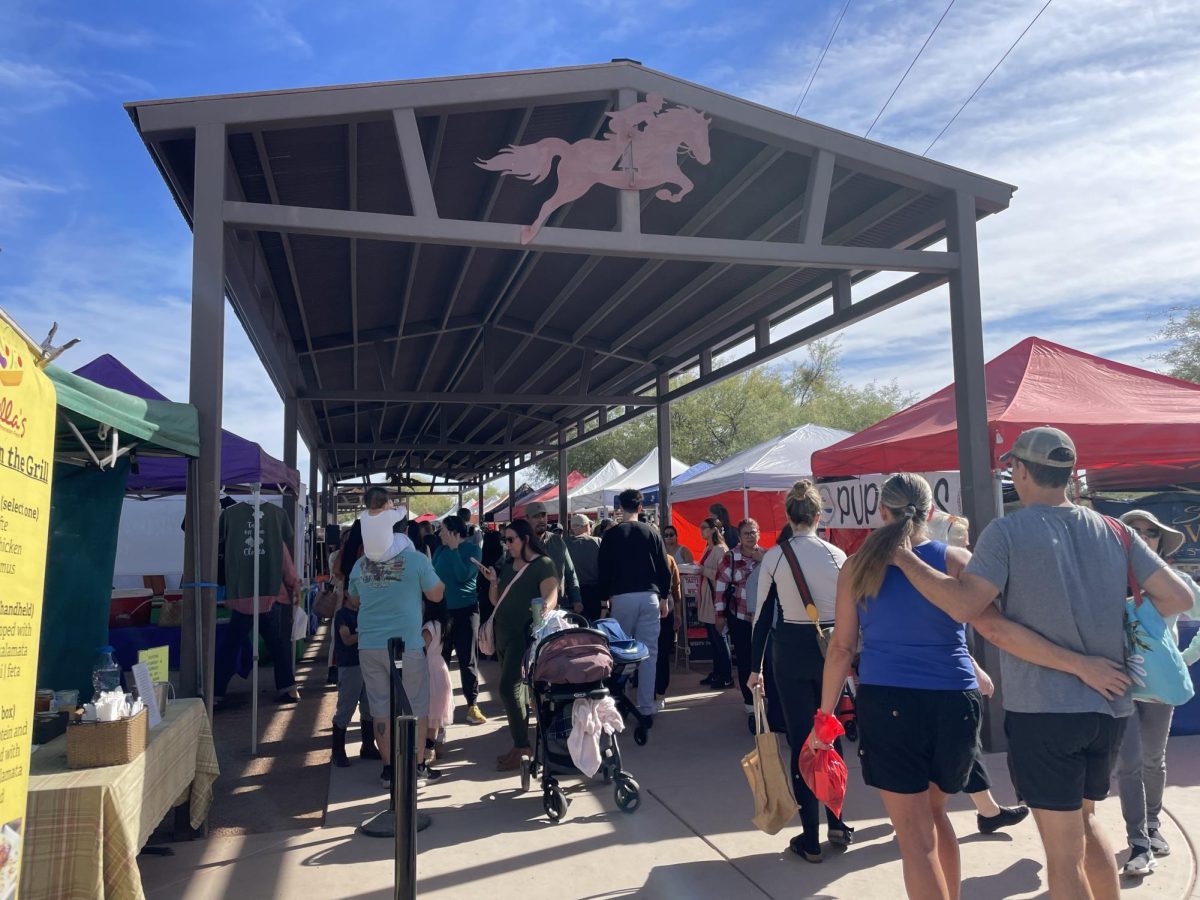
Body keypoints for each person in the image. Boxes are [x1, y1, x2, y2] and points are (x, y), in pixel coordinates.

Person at [888, 428, 1193, 900]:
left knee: (1062, 854)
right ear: (1069, 474)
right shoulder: (1116, 529)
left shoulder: (1008, 531)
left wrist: (907, 561)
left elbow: (971, 608)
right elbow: (1179, 596)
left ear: (1022, 470)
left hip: (1046, 712)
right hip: (1109, 708)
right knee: (1087, 826)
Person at [815, 473, 981, 894]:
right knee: (937, 815)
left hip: (890, 702)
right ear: (929, 512)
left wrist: (825, 715)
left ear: (881, 512)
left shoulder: (856, 567)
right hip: (955, 699)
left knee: (914, 838)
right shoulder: (956, 559)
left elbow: (841, 648)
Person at [748, 481, 852, 861]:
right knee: (830, 732)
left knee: (801, 741)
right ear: (818, 515)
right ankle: (838, 823)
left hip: (789, 651)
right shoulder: (837, 555)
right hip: (832, 651)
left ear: (789, 517)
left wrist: (754, 669)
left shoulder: (775, 557)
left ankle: (810, 838)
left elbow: (762, 619)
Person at [1114, 509, 1200, 877]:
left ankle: (1151, 824)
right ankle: (1139, 841)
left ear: (1160, 542)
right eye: (1134, 530)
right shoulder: (1106, 579)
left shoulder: (1177, 582)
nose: (1143, 536)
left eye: (1150, 532)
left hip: (1159, 689)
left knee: (1152, 759)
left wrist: (1184, 659)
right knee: (1129, 762)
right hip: (1116, 686)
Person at [349, 523, 446, 788]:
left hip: (369, 644)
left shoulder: (361, 565)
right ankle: (416, 767)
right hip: (408, 644)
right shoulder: (416, 560)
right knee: (416, 705)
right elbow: (437, 594)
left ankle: (389, 771)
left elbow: (353, 599)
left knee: (380, 707)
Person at [477, 519, 559, 771]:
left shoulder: (542, 564)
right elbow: (496, 600)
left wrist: (544, 608)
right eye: (505, 540)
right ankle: (520, 745)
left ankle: (522, 745)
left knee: (507, 688)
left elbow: (551, 597)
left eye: (510, 539)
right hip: (503, 635)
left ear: (525, 539)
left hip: (523, 637)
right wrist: (492, 581)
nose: (507, 544)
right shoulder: (510, 565)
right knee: (518, 693)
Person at [598, 489, 672, 723]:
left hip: (621, 597)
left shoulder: (611, 535)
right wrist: (664, 597)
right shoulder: (652, 532)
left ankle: (619, 701)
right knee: (649, 653)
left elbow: (604, 569)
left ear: (619, 508)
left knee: (620, 652)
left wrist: (604, 599)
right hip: (650, 596)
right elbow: (664, 567)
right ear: (640, 508)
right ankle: (646, 708)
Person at [433, 516, 486, 726]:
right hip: (442, 611)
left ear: (455, 532)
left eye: (443, 530)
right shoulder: (439, 551)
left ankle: (472, 704)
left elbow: (463, 575)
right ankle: (441, 705)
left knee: (468, 659)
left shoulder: (473, 551)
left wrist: (455, 550)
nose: (439, 534)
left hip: (466, 611)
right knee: (440, 660)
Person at [715, 519, 764, 718]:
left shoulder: (767, 555)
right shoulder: (731, 557)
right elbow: (720, 588)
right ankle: (749, 700)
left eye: (753, 532)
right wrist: (719, 615)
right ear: (739, 537)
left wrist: (761, 559)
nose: (751, 537)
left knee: (764, 660)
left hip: (763, 619)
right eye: (746, 533)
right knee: (745, 660)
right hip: (740, 617)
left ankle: (764, 696)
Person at [330, 589, 381, 767]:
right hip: (350, 666)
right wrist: (366, 633)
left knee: (368, 707)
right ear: (346, 594)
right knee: (345, 708)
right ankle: (337, 752)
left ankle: (368, 746)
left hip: (366, 664)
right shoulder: (342, 615)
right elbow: (346, 638)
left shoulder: (364, 613)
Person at [523, 502, 583, 612]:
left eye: (543, 515)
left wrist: (576, 600)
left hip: (559, 605)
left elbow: (570, 572)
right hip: (531, 608)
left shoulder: (557, 541)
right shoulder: (521, 543)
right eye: (536, 516)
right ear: (527, 519)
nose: (541, 520)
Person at [697, 518, 733, 689]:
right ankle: (717, 672)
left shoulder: (720, 550)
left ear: (713, 530)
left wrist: (704, 570)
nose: (701, 531)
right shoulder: (709, 548)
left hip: (715, 597)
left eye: (704, 528)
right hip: (707, 595)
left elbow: (724, 576)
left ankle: (726, 675)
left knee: (719, 637)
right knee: (713, 638)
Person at [655, 550, 684, 710]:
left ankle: (658, 690)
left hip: (664, 609)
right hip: (666, 608)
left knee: (659, 652)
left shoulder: (668, 559)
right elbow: (676, 589)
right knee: (662, 652)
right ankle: (659, 691)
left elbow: (676, 588)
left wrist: (678, 614)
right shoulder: (668, 559)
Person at [565, 513, 604, 622]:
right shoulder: (597, 542)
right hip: (596, 592)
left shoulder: (565, 544)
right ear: (586, 526)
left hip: (573, 593)